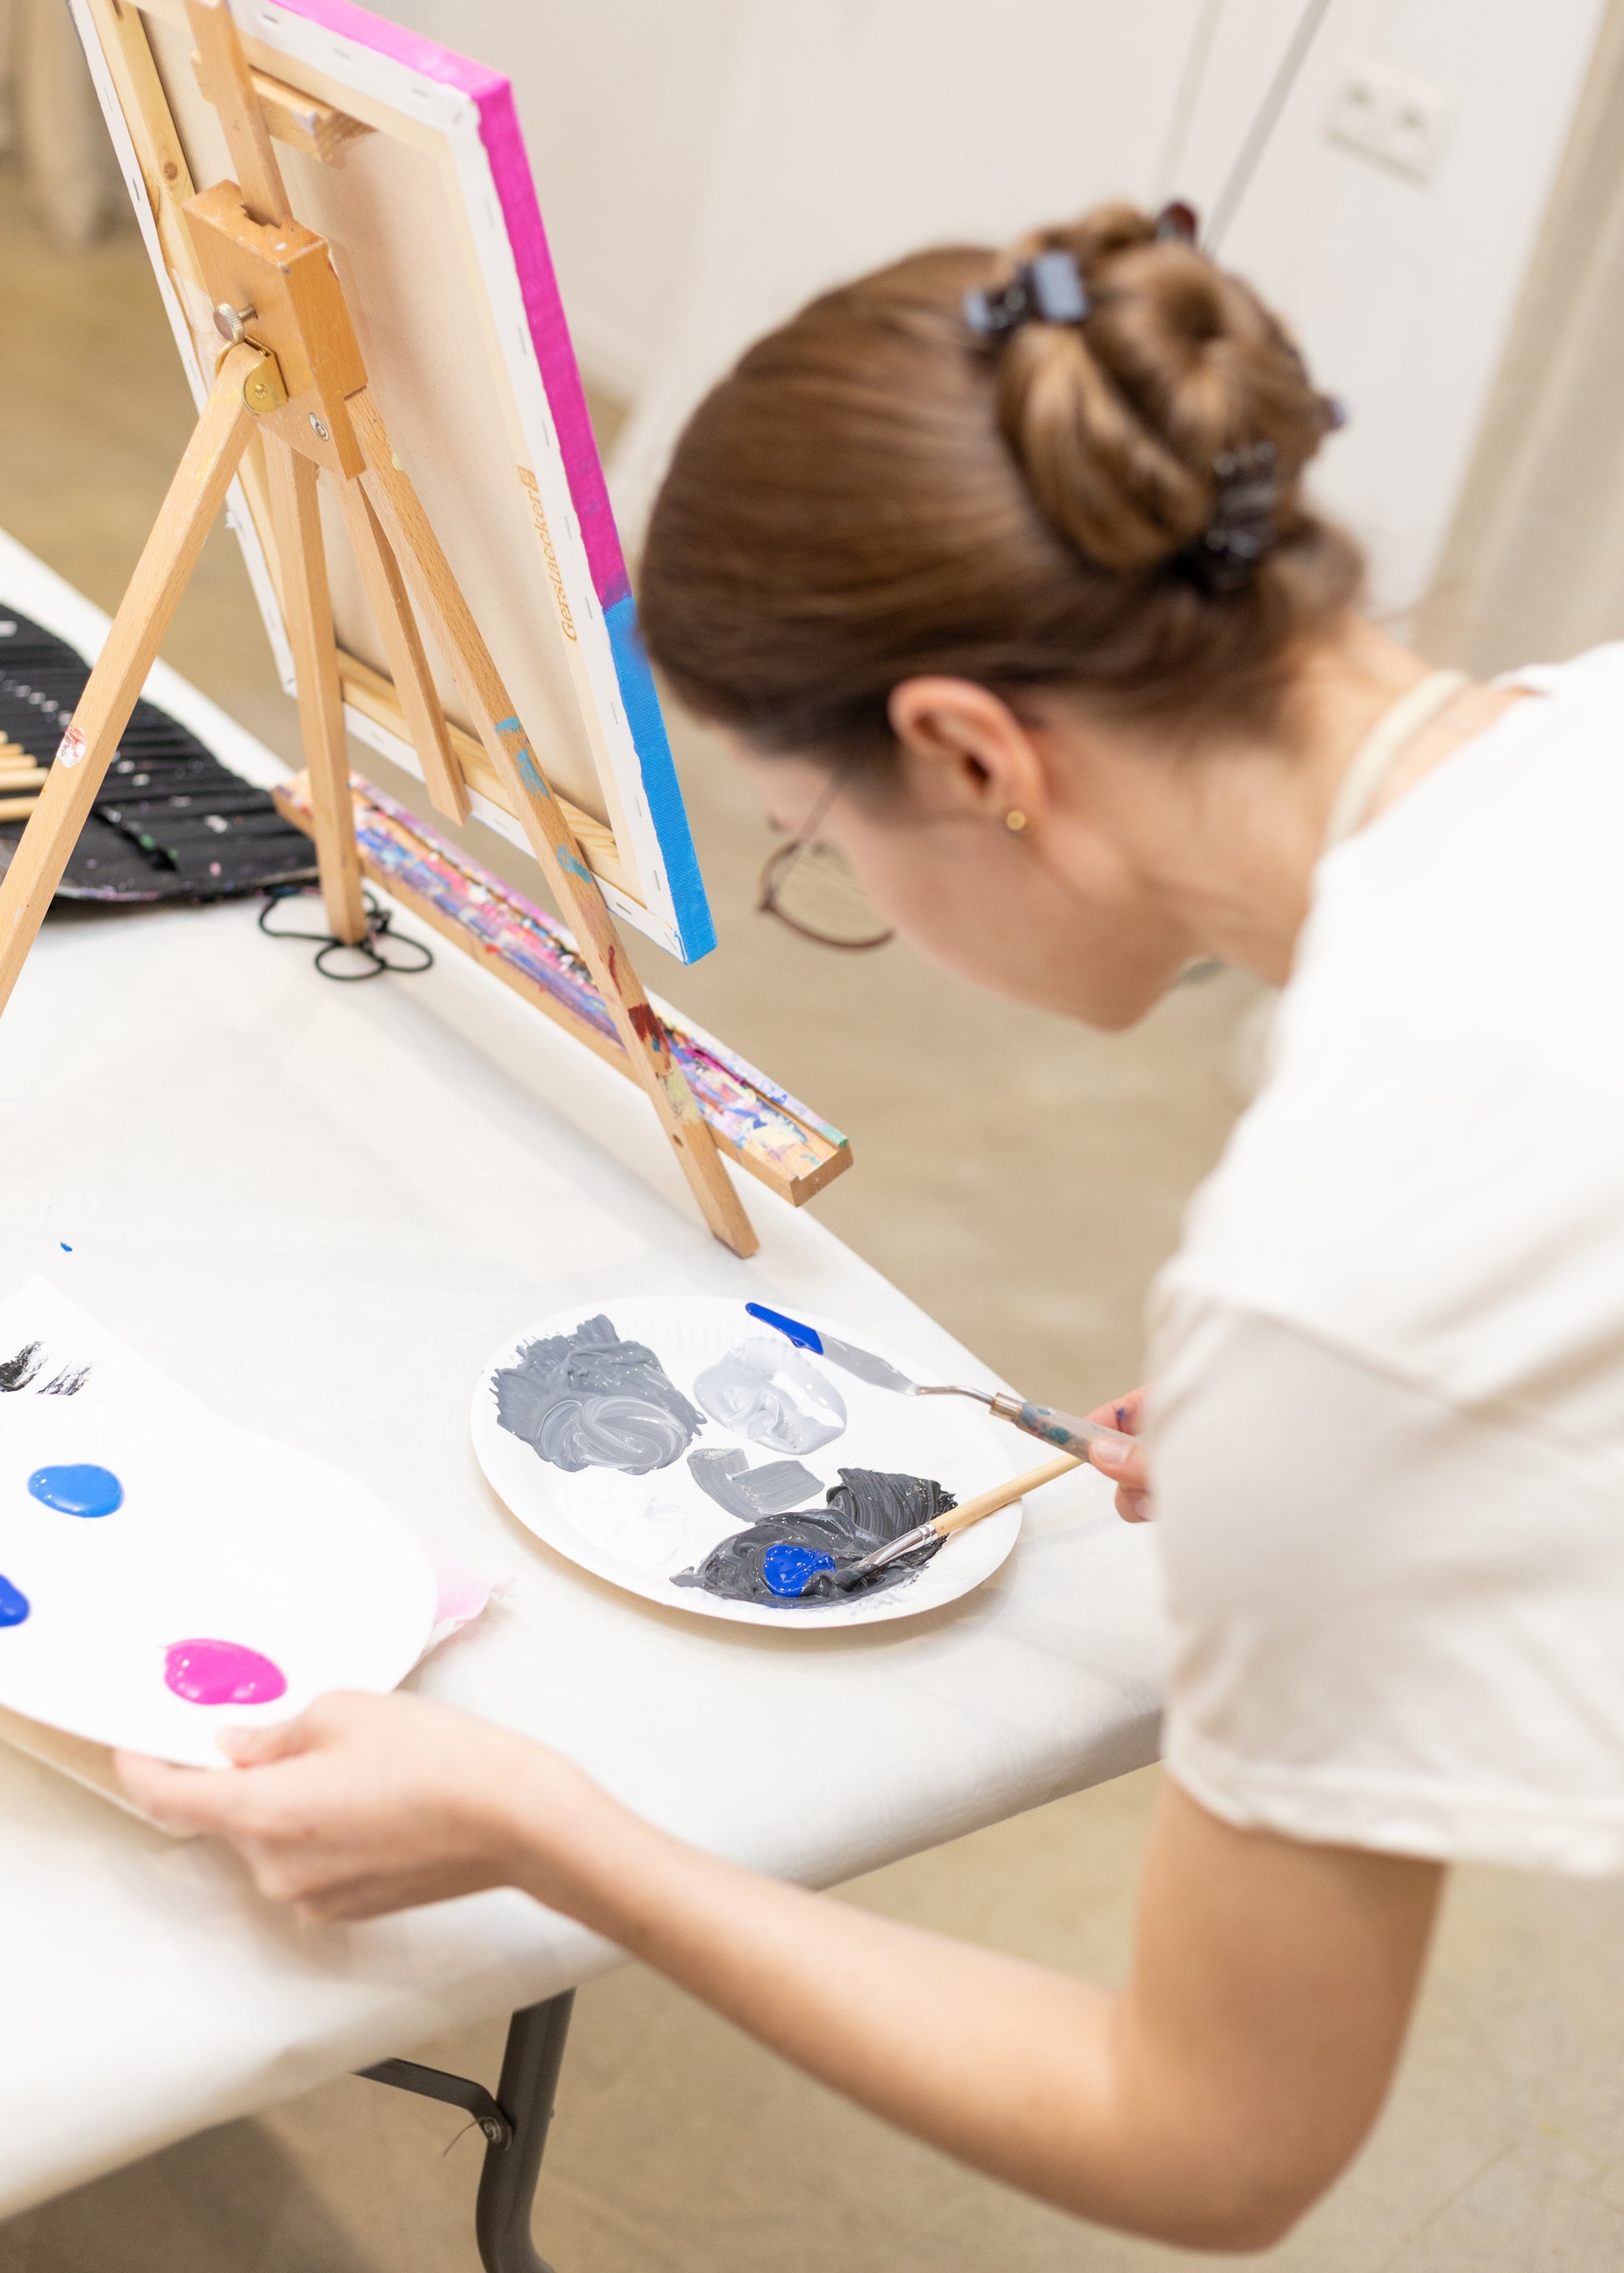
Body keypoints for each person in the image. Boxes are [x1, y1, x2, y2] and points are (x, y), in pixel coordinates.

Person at [120, 202, 1624, 2250]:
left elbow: (1207, 2142)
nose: (864, 910)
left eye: (816, 851)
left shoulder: (1338, 1263)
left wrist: (548, 1831)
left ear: (968, 752)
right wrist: (1400, 1444)